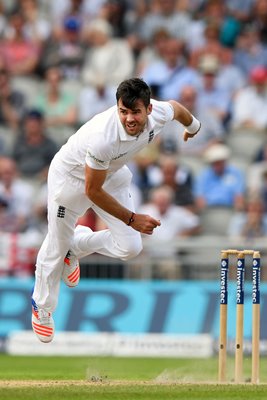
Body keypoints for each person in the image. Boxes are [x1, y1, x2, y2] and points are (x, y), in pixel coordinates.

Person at [31, 77, 201, 343]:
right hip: (71, 179)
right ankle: (42, 307)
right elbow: (92, 191)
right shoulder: (103, 137)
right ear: (117, 108)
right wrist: (133, 219)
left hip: (110, 174)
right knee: (56, 244)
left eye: (135, 112)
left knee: (131, 248)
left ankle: (75, 246)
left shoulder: (159, 113)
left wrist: (193, 126)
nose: (129, 118)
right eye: (124, 111)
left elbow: (177, 108)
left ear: (149, 109)